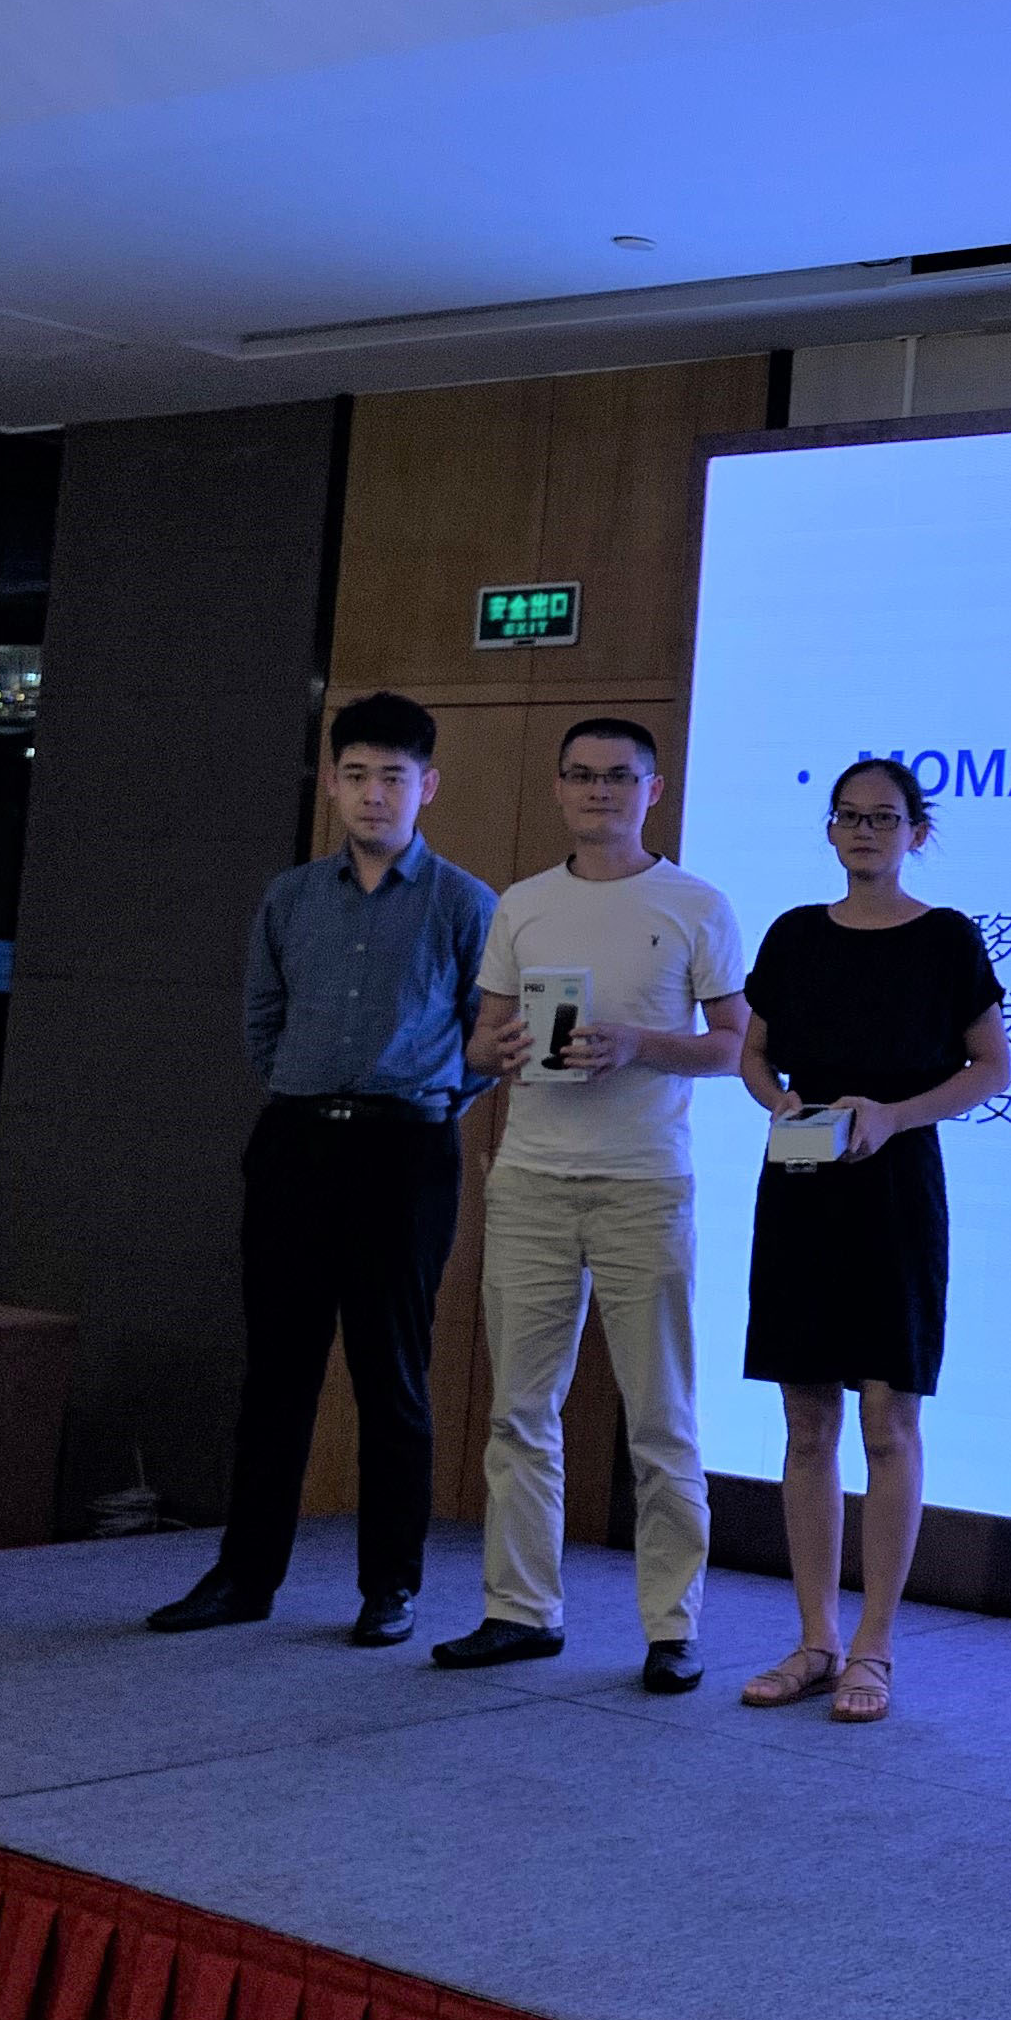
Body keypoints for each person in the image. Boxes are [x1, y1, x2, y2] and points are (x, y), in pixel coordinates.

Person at [152, 693, 496, 1645]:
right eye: (355, 775)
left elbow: (486, 1039)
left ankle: (389, 1587)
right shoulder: (290, 896)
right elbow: (263, 1024)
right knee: (277, 1372)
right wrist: (312, 1092)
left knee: (393, 1376)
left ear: (427, 786)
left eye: (393, 777)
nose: (373, 794)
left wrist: (425, 1098)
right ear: (332, 785)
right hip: (295, 1142)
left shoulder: (465, 902)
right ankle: (244, 1577)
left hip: (405, 1150)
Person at [440, 719, 747, 1694]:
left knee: (661, 1417)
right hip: (530, 1178)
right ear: (559, 788)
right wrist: (501, 1050)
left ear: (653, 790)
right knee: (518, 1411)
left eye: (618, 776)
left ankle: (672, 1627)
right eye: (581, 775)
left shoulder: (695, 903)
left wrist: (638, 1044)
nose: (598, 791)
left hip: (643, 1183)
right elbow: (482, 1039)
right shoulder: (523, 903)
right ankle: (520, 1609)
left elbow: (735, 1046)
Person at [733, 758, 1008, 1723]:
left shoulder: (945, 937)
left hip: (896, 1189)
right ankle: (814, 1638)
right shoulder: (794, 933)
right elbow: (754, 1053)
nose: (864, 831)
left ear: (915, 833)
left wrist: (894, 1116)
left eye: (884, 818)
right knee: (806, 1422)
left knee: (888, 1423)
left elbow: (991, 1067)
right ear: (829, 829)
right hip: (801, 1181)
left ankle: (874, 1649)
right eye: (848, 816)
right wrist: (777, 1103)